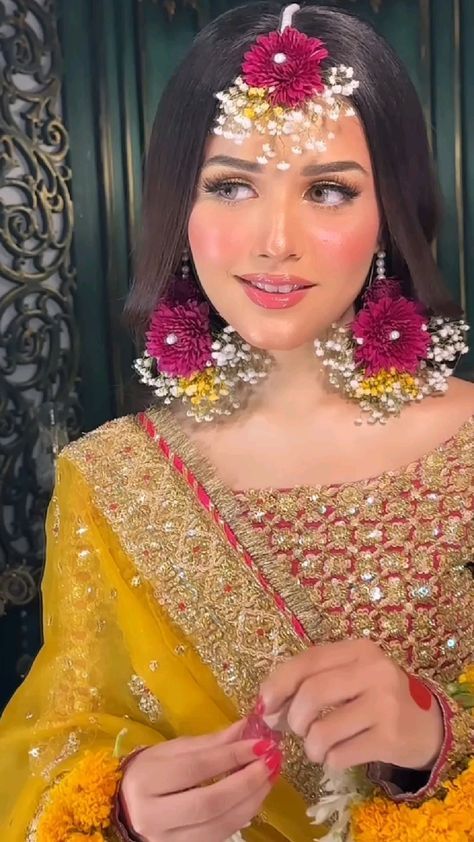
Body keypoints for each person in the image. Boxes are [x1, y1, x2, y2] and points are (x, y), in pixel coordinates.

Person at [1, 3, 473, 840]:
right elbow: (54, 741)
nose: (275, 239)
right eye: (231, 185)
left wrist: (436, 733)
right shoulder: (113, 483)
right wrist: (124, 804)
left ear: (390, 215)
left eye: (328, 189)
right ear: (180, 209)